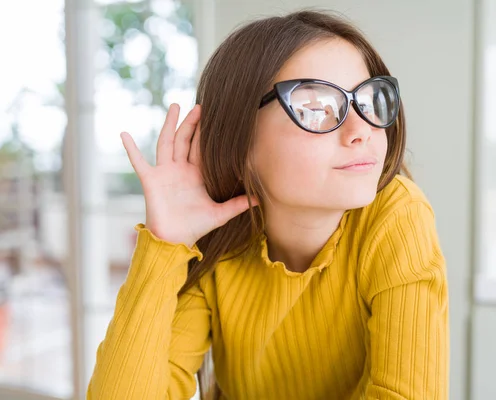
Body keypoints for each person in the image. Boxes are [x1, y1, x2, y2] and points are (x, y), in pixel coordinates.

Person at [86, 9, 448, 400]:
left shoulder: (396, 216)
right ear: (238, 139)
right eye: (315, 108)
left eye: (368, 100)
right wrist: (163, 244)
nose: (362, 130)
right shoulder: (215, 241)